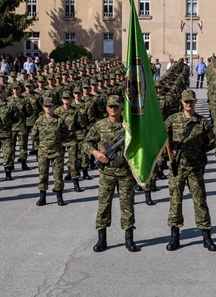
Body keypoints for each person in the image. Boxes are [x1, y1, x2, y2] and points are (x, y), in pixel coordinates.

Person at [164, 89, 216, 251]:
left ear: (195, 102)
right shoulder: (172, 120)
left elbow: (212, 141)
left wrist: (198, 151)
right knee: (175, 201)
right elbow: (162, 138)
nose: (188, 103)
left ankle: (206, 236)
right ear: (181, 102)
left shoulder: (202, 122)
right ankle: (175, 236)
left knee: (200, 201)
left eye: (191, 101)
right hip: (177, 167)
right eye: (186, 101)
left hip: (195, 168)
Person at [83, 95, 139, 252]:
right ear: (107, 108)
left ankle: (129, 238)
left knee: (127, 205)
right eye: (111, 106)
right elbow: (86, 143)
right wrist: (96, 153)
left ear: (122, 107)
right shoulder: (100, 126)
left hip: (125, 172)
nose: (113, 109)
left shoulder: (128, 126)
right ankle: (102, 238)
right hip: (106, 173)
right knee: (104, 205)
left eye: (116, 106)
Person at [30, 97, 70, 206]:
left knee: (58, 175)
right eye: (46, 106)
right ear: (43, 108)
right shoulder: (39, 121)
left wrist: (58, 144)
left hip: (57, 152)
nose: (48, 108)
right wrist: (40, 146)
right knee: (43, 175)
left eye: (50, 106)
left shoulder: (59, 120)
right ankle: (42, 197)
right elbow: (34, 136)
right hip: (43, 152)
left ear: (54, 107)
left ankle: (59, 197)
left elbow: (66, 135)